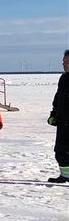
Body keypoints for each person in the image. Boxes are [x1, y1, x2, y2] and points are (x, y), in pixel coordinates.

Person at [46, 49, 69, 183]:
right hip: (62, 121)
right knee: (60, 150)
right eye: (63, 62)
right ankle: (65, 176)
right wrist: (53, 114)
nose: (64, 64)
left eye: (67, 62)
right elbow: (58, 98)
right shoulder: (64, 78)